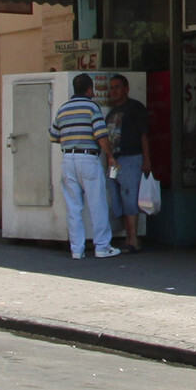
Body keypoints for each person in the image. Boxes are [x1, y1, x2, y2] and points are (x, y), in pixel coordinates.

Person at [48, 73, 121, 261]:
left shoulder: (63, 109)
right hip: (88, 159)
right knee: (97, 203)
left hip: (68, 159)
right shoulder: (91, 107)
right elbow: (100, 134)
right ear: (90, 89)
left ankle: (77, 250)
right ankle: (102, 247)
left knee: (73, 207)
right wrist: (110, 156)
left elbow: (54, 136)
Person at [102, 74, 154, 254]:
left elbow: (144, 135)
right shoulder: (110, 113)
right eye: (112, 87)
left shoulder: (135, 108)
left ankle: (133, 240)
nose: (113, 91)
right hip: (114, 160)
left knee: (130, 198)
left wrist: (146, 159)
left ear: (126, 88)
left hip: (132, 158)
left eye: (117, 87)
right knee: (119, 200)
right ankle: (127, 237)